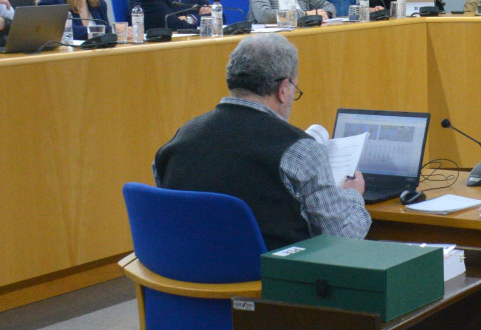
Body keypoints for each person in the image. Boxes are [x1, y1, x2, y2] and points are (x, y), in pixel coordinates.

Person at [153, 33, 371, 248]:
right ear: (283, 90)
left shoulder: (180, 139)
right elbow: (343, 236)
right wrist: (352, 194)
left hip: (183, 266)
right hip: (268, 269)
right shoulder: (299, 150)